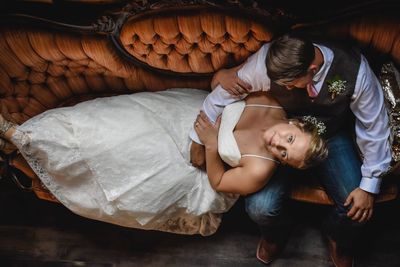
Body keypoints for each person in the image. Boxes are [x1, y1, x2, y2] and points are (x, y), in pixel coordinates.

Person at [0, 88, 327, 237]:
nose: (278, 145)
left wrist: (211, 145)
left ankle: (19, 156)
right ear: (297, 124)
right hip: (189, 114)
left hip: (198, 171)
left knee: (131, 160)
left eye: (285, 155)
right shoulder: (267, 100)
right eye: (289, 140)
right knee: (114, 128)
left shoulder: (259, 169)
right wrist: (208, 123)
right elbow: (223, 89)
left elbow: (218, 183)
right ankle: (28, 139)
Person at [206, 33, 391, 266]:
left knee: (357, 207)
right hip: (280, 134)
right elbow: (225, 90)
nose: (287, 87)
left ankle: (336, 236)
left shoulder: (355, 70)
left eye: (290, 83)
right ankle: (277, 233)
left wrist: (370, 183)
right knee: (260, 208)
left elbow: (374, 126)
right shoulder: (272, 59)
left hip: (330, 135)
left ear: (312, 69)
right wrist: (199, 139)